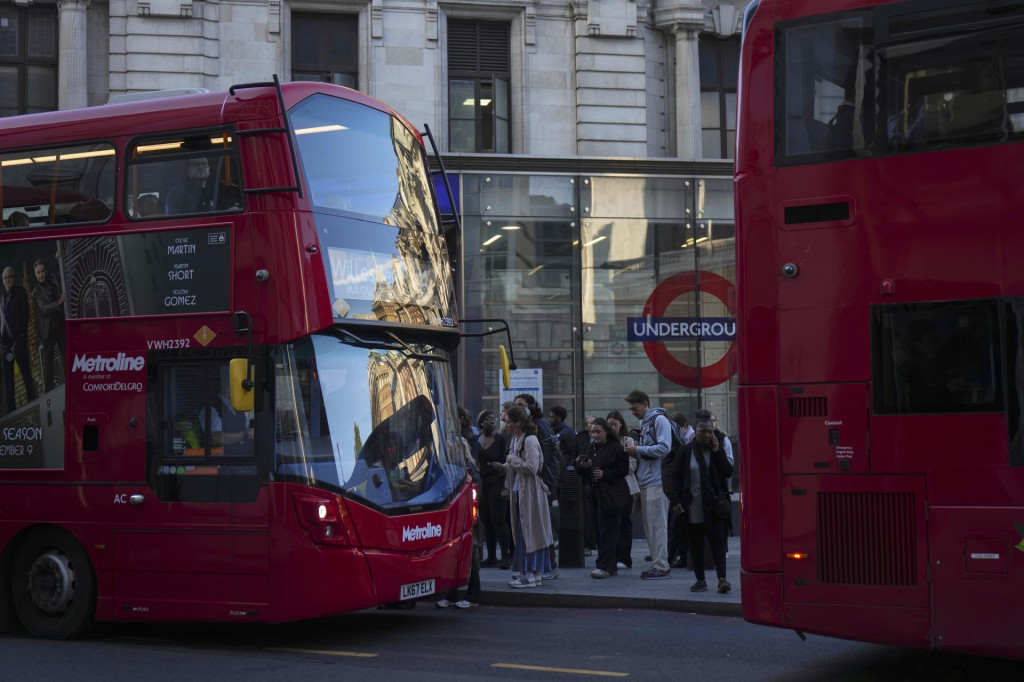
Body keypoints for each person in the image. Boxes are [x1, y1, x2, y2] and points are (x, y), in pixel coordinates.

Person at [668, 416, 734, 593]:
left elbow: (728, 471)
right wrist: (675, 500)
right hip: (693, 505)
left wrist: (717, 451)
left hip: (714, 506)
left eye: (710, 431)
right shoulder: (686, 451)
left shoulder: (716, 449)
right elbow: (675, 476)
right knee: (695, 543)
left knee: (717, 542)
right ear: (695, 433)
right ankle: (700, 579)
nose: (706, 435)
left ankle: (722, 579)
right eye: (702, 432)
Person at [498, 406, 553, 588]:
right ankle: (532, 574)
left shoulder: (529, 440)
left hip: (530, 493)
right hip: (521, 492)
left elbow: (532, 467)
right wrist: (505, 465)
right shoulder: (517, 438)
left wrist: (512, 460)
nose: (506, 425)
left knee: (530, 533)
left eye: (509, 422)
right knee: (526, 533)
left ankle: (530, 575)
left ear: (518, 422)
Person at [623, 389, 672, 580]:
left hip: (657, 481)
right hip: (649, 480)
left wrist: (638, 449)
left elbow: (665, 447)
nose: (633, 412)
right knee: (651, 526)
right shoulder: (647, 422)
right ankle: (658, 564)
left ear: (645, 403)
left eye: (635, 408)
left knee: (657, 525)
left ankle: (661, 565)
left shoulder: (659, 420)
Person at [576, 418, 629, 578]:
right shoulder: (590, 447)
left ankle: (605, 565)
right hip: (593, 494)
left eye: (598, 432)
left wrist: (605, 474)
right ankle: (608, 564)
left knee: (608, 530)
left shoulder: (616, 448)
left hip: (610, 495)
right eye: (593, 432)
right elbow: (583, 472)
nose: (595, 435)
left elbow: (623, 470)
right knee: (598, 530)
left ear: (606, 432)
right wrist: (583, 466)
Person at [437, 433, 481, 609]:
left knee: (472, 557)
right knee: (453, 556)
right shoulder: (448, 468)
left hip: (469, 518)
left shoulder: (470, 469)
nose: (449, 451)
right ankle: (452, 594)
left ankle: (473, 596)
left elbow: (475, 495)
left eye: (452, 448)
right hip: (454, 518)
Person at [476, 410, 511, 569]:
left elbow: (507, 461)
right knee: (485, 520)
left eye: (494, 419)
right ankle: (491, 556)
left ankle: (505, 555)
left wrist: (505, 484)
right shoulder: (476, 440)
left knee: (499, 519)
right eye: (488, 419)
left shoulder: (501, 439)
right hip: (483, 483)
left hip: (498, 481)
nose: (492, 422)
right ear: (481, 423)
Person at [1, 266, 36, 413]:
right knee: (9, 381)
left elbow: (25, 313)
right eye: (5, 278)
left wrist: (22, 336)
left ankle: (33, 403)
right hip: (5, 346)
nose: (7, 280)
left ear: (13, 278)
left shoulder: (20, 291)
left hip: (18, 342)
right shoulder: (1, 298)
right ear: (3, 281)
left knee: (26, 373)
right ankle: (11, 412)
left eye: (9, 277)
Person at [605, 410, 637, 571]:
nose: (611, 428)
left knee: (624, 523)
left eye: (614, 425)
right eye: (609, 424)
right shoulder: (604, 442)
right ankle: (613, 556)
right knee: (610, 524)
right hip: (608, 488)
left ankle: (625, 558)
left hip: (626, 487)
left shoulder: (627, 440)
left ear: (621, 425)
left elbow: (631, 466)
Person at [198, 370, 253, 457]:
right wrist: (245, 435)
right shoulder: (211, 408)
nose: (242, 392)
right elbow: (215, 438)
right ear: (226, 390)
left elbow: (246, 427)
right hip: (224, 460)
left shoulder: (236, 407)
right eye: (238, 388)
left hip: (242, 456)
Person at [31, 259, 66, 392]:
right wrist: (59, 302)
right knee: (48, 367)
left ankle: (71, 386)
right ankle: (49, 394)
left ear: (46, 271)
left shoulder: (53, 280)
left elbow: (58, 272)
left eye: (42, 271)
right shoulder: (35, 291)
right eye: (38, 272)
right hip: (47, 333)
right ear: (35, 274)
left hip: (60, 327)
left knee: (66, 358)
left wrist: (58, 258)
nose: (41, 275)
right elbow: (44, 308)